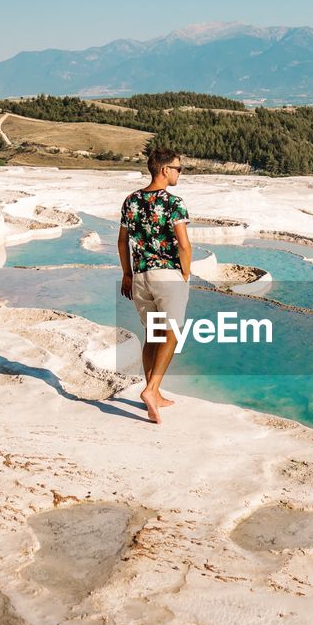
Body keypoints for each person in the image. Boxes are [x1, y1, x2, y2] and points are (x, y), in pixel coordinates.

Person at [118, 147, 192, 423]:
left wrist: (127, 274)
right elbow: (184, 244)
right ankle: (150, 390)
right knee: (173, 333)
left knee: (154, 333)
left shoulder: (131, 200)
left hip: (140, 276)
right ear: (164, 170)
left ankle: (155, 393)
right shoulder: (174, 203)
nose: (179, 173)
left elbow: (121, 240)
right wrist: (184, 274)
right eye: (177, 168)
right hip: (167, 275)